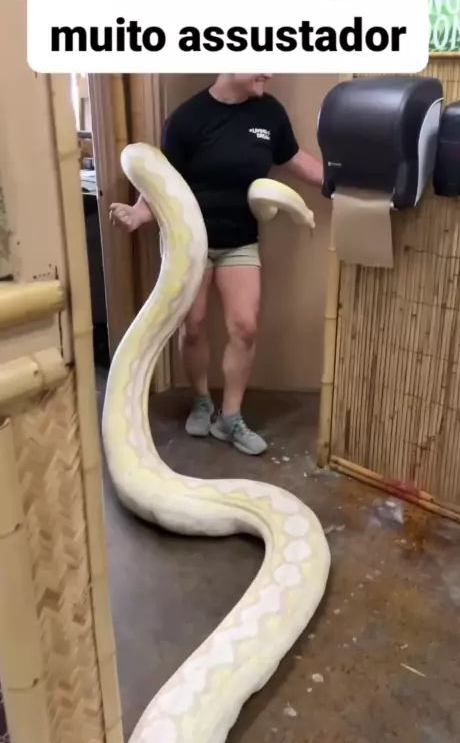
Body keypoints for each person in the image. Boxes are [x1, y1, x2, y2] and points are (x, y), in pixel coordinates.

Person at [110, 73, 324, 456]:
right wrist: (139, 214)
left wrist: (344, 182)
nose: (268, 72)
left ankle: (230, 417)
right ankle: (201, 401)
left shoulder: (270, 113)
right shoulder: (187, 119)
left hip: (240, 240)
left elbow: (295, 160)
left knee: (245, 328)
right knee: (192, 327)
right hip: (187, 244)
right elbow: (162, 180)